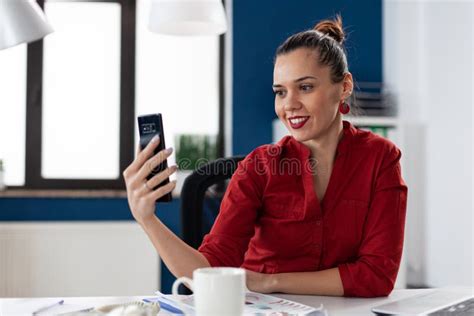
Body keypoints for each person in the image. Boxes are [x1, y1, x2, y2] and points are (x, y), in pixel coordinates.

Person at [123, 16, 407, 298]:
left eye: (305, 87)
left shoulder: (381, 158)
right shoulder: (259, 168)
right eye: (280, 92)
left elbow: (377, 276)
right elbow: (207, 271)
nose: (289, 105)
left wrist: (269, 281)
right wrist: (147, 218)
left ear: (344, 86)